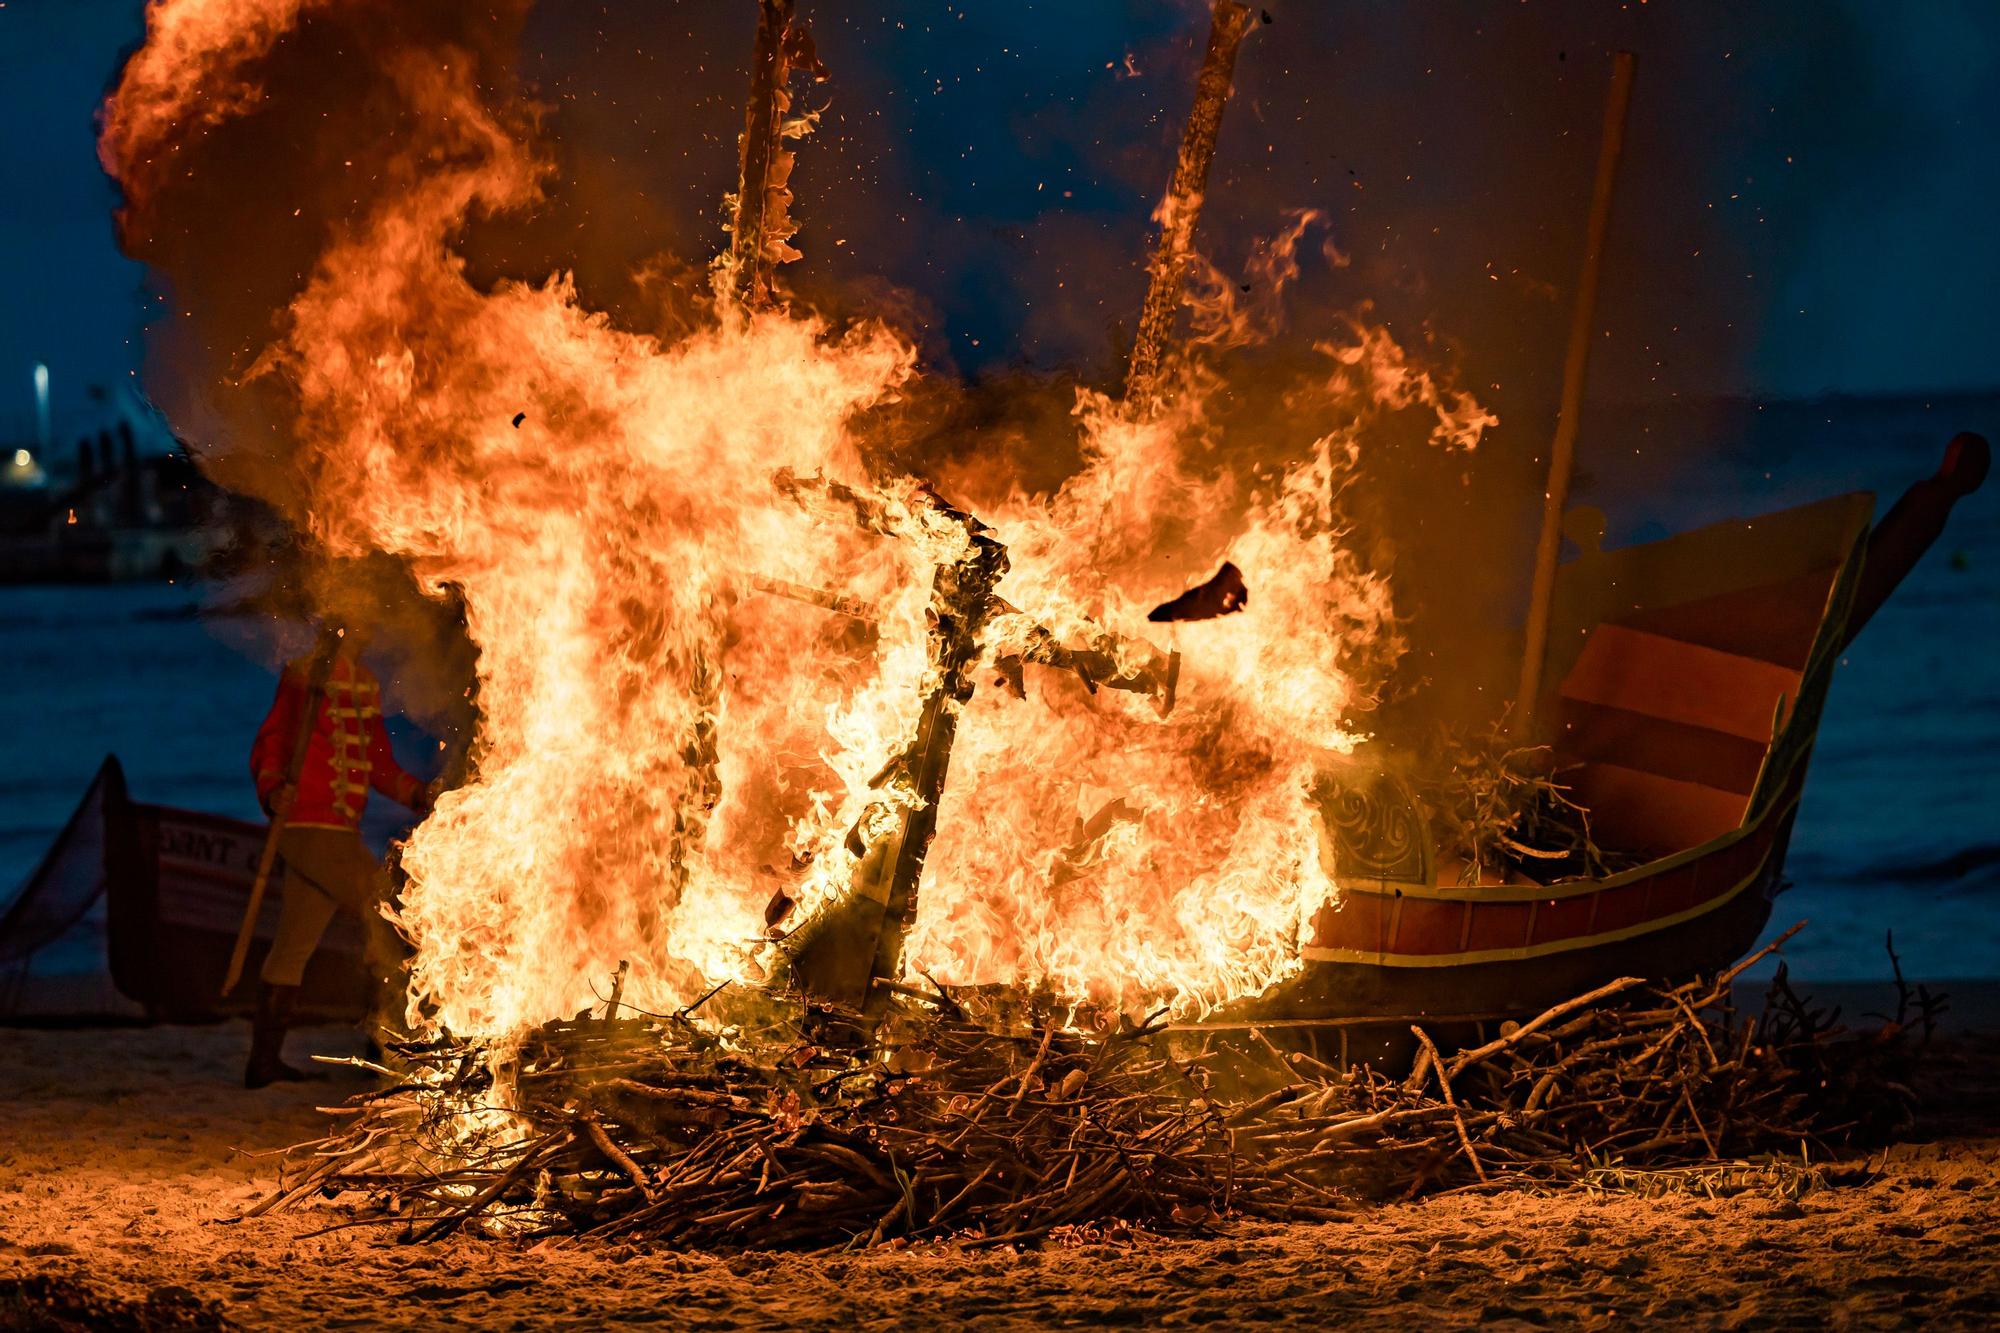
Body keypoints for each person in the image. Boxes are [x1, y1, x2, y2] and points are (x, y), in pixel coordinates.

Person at [244, 621, 430, 1088]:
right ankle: (384, 1047)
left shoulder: (365, 683)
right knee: (388, 919)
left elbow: (379, 765)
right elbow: (272, 742)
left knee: (292, 947)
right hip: (309, 826)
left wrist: (417, 794)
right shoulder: (304, 674)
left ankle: (262, 1064)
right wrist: (271, 791)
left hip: (340, 828)